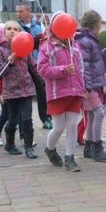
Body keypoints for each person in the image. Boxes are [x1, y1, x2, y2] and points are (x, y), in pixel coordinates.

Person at [38, 13, 85, 172]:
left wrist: (83, 88)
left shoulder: (75, 46)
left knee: (72, 126)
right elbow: (42, 69)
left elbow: (81, 69)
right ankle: (49, 148)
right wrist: (63, 70)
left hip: (75, 92)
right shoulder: (47, 47)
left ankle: (70, 158)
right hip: (57, 93)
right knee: (58, 127)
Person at [74, 10, 106, 161]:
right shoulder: (85, 41)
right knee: (99, 113)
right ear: (95, 25)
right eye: (100, 25)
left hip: (90, 84)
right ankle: (97, 147)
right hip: (88, 86)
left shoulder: (89, 40)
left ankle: (89, 147)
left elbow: (95, 59)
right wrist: (87, 87)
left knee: (91, 115)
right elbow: (84, 65)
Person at [0, 21, 38, 158]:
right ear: (4, 32)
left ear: (20, 32)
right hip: (11, 90)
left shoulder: (25, 49)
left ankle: (28, 148)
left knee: (27, 119)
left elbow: (34, 67)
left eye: (16, 29)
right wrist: (9, 61)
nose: (12, 31)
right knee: (12, 119)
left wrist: (44, 79)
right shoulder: (0, 51)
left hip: (27, 89)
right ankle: (10, 144)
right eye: (9, 29)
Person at [16, 2, 53, 130]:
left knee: (42, 91)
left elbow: (46, 43)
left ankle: (46, 118)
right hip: (21, 64)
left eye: (20, 11)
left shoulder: (39, 25)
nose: (18, 14)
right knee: (21, 92)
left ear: (28, 12)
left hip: (36, 63)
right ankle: (19, 120)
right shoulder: (16, 26)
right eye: (17, 11)